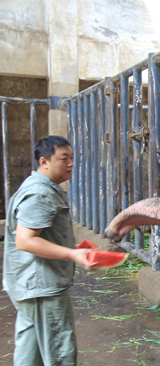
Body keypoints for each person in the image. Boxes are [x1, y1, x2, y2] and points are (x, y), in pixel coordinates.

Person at [2, 135, 96, 365]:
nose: (71, 164)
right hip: (43, 287)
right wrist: (72, 254)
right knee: (59, 351)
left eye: (72, 158)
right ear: (44, 162)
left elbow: (40, 236)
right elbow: (25, 241)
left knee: (30, 346)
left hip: (28, 284)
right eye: (64, 159)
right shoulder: (40, 193)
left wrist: (71, 247)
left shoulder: (39, 187)